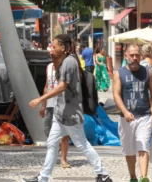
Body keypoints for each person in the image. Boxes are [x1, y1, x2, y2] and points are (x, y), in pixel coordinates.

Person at [24, 34, 112, 182]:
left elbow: (63, 86)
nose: (51, 49)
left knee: (82, 144)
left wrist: (40, 99)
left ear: (63, 48)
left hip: (70, 113)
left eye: (54, 46)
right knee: (52, 143)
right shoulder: (65, 61)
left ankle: (103, 174)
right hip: (61, 113)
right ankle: (43, 177)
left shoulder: (69, 62)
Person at [113, 44, 152, 182]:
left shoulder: (148, 72)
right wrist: (125, 111)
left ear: (140, 56)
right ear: (126, 56)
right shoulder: (119, 73)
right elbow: (116, 95)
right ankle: (133, 176)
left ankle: (143, 177)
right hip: (126, 118)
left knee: (143, 147)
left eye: (137, 55)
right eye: (132, 55)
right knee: (129, 150)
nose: (134, 58)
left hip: (144, 116)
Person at [39, 47, 70, 169]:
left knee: (65, 133)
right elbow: (47, 86)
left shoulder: (66, 67)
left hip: (63, 104)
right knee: (47, 129)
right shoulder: (49, 67)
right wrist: (43, 104)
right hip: (50, 103)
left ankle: (63, 159)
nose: (52, 56)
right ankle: (55, 148)